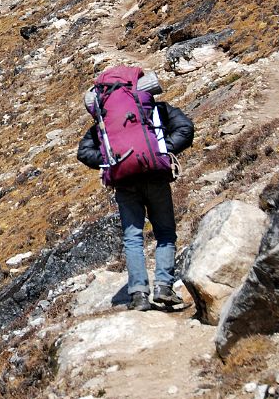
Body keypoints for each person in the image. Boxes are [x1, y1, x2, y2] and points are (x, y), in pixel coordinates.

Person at [77, 92, 195, 310]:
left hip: (124, 182)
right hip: (156, 178)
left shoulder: (106, 124)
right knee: (165, 233)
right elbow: (186, 128)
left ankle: (139, 294)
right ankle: (163, 287)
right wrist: (160, 151)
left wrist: (114, 161)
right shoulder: (156, 110)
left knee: (133, 238)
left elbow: (84, 152)